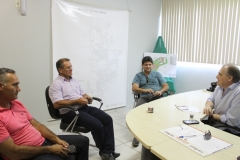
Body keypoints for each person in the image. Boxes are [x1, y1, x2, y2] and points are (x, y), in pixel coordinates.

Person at [0, 68, 89, 160]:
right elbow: (13, 153)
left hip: (43, 143)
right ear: (1, 86)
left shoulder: (17, 104)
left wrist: (56, 139)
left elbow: (37, 125)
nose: (19, 89)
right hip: (28, 154)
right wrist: (49, 149)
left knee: (82, 141)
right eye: (15, 85)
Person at [49, 58, 120, 160]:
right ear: (60, 70)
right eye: (68, 67)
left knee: (108, 119)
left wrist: (87, 97)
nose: (71, 69)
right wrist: (77, 101)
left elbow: (82, 93)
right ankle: (105, 153)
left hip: (83, 108)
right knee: (97, 125)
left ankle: (109, 151)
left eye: (71, 66)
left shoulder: (74, 80)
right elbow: (57, 104)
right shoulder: (56, 84)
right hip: (70, 112)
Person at [131, 56, 169, 147]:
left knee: (163, 113)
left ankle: (161, 133)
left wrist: (160, 91)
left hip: (157, 96)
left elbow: (166, 86)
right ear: (142, 65)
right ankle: (136, 136)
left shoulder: (157, 74)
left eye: (149, 64)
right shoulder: (138, 76)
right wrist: (145, 90)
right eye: (146, 65)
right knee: (138, 112)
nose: (148, 66)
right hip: (144, 97)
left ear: (152, 65)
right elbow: (134, 88)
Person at [203, 63, 240, 133]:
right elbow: (210, 99)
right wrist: (208, 107)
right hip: (217, 123)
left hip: (230, 129)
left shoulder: (238, 92)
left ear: (230, 78)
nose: (216, 76)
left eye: (220, 75)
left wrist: (213, 115)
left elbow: (231, 120)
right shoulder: (220, 86)